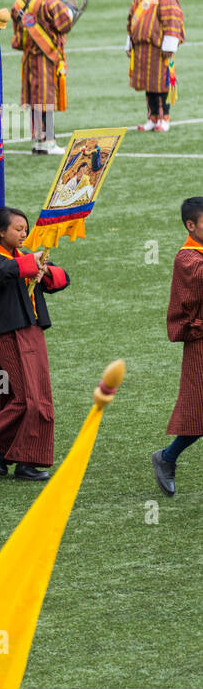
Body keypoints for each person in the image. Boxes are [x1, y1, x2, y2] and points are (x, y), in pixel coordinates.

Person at [0, 207, 70, 482]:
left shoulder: (24, 258)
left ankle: (27, 461)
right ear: (1, 231)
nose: (23, 234)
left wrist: (44, 271)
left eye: (25, 229)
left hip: (33, 334)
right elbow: (4, 271)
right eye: (18, 229)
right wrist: (32, 263)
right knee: (24, 398)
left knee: (39, 398)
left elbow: (62, 279)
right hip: (9, 336)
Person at [153, 197, 203, 496]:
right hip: (200, 344)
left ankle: (167, 457)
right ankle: (167, 457)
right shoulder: (187, 259)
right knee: (198, 412)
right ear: (191, 225)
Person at [9, 0, 73, 154]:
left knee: (35, 100)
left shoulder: (17, 3)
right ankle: (49, 141)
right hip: (46, 58)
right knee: (46, 100)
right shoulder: (48, 0)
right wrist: (68, 6)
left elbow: (17, 41)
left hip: (29, 58)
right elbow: (65, 24)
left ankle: (38, 140)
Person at [127, 0, 184, 133]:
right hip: (142, 49)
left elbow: (172, 21)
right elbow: (131, 22)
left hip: (160, 49)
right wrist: (130, 43)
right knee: (148, 84)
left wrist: (169, 45)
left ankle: (164, 118)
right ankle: (152, 117)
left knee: (161, 84)